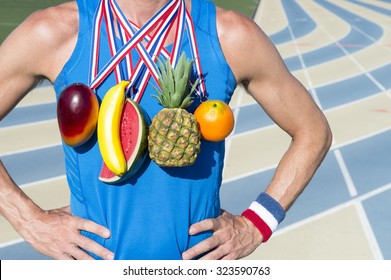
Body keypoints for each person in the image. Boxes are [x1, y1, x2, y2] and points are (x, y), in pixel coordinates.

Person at [0, 0, 332, 260]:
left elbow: (313, 131)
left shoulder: (231, 35)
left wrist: (256, 224)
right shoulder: (53, 33)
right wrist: (28, 219)